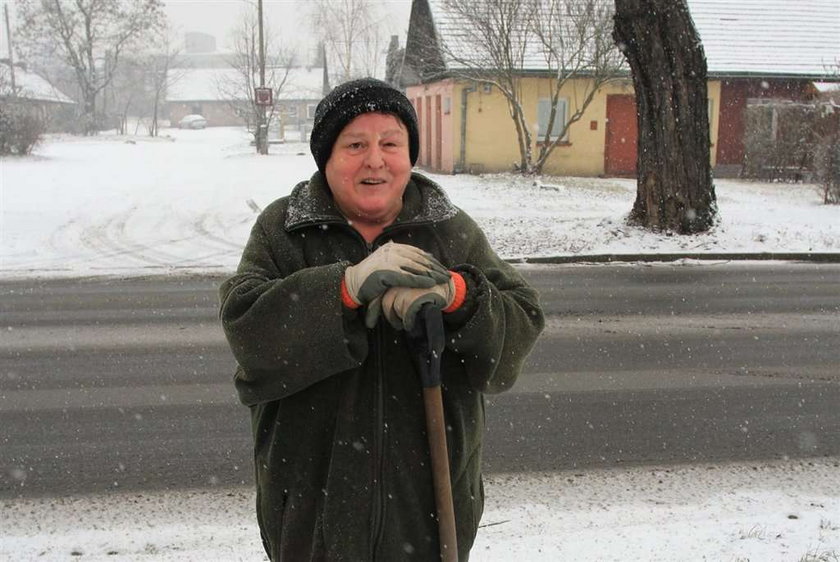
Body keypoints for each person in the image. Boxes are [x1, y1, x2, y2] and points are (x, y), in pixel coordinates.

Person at [219, 78, 544, 561]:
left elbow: (517, 330)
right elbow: (250, 332)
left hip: (430, 510)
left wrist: (457, 295)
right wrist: (343, 289)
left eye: (390, 143)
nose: (375, 160)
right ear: (326, 158)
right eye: (355, 145)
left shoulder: (450, 231)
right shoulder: (284, 230)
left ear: (409, 155)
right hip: (312, 514)